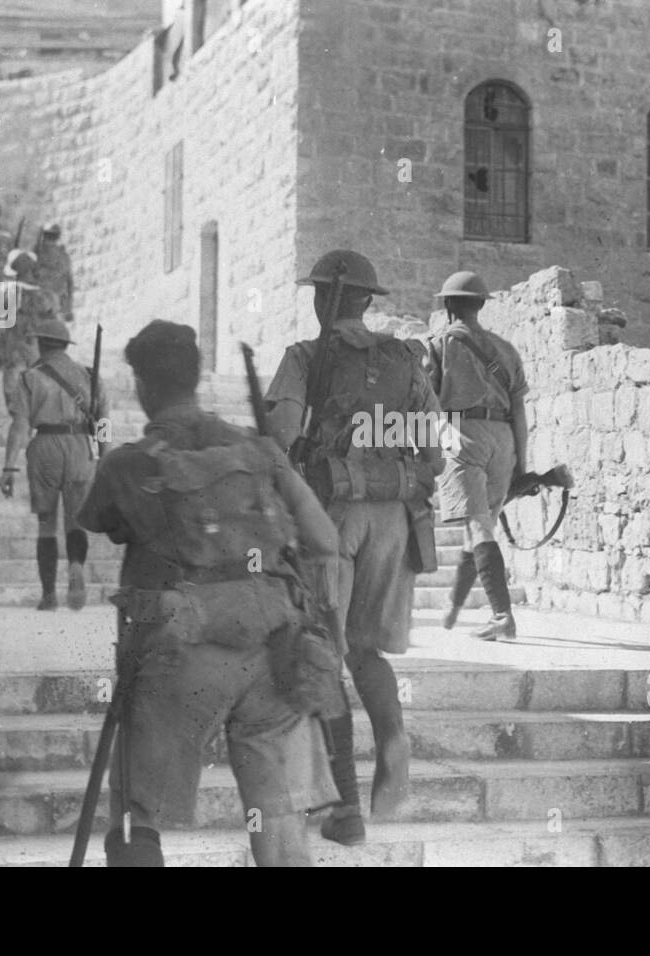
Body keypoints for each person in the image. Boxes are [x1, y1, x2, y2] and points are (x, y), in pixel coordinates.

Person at [78, 320, 341, 866]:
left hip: (181, 652)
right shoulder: (257, 448)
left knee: (136, 812)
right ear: (196, 377)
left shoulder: (130, 462)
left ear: (143, 386)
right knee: (274, 809)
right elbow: (324, 540)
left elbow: (97, 521)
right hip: (274, 647)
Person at [265, 250, 443, 846]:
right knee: (367, 651)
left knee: (323, 649)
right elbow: (435, 452)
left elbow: (278, 437)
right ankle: (392, 738)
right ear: (368, 302)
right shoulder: (405, 359)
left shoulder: (304, 357)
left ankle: (344, 811)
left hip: (330, 517)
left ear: (321, 299)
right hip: (394, 515)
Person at [424, 271, 529, 641]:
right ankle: (453, 609)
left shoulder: (439, 345)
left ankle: (502, 616)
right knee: (479, 528)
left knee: (478, 526)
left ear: (449, 306)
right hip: (504, 439)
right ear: (481, 305)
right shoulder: (506, 349)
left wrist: (429, 453)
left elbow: (428, 405)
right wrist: (522, 466)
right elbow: (520, 412)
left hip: (462, 434)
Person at [0, 318, 107, 611]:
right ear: (64, 345)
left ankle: (49, 595)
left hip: (45, 447)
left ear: (42, 344)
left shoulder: (30, 378)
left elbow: (20, 425)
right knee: (76, 521)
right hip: (80, 448)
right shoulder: (89, 375)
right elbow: (103, 422)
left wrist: (9, 466)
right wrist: (105, 456)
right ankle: (75, 567)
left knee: (46, 525)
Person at [0, 249, 57, 413]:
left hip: (12, 350)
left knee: (13, 399)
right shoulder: (46, 295)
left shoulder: (6, 291)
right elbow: (56, 329)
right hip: (37, 351)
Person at [35, 223, 74, 324]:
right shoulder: (64, 256)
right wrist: (68, 308)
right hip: (55, 302)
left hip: (38, 300)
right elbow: (69, 284)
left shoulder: (37, 253)